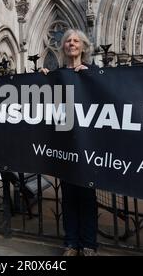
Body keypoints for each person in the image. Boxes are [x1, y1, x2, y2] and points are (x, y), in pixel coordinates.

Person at [41, 29, 99, 256]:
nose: (71, 44)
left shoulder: (93, 72)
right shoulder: (57, 75)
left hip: (86, 146)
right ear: (63, 47)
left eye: (76, 41)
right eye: (68, 41)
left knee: (87, 196)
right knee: (68, 197)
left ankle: (89, 244)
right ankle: (71, 243)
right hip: (64, 145)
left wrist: (93, 77)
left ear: (83, 47)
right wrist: (43, 78)